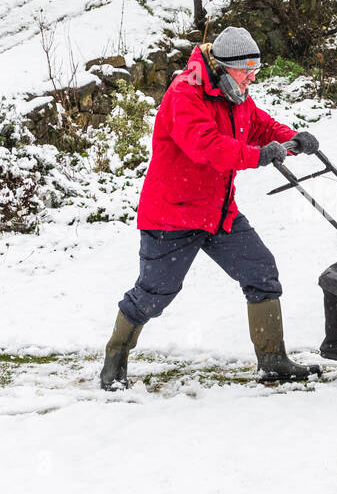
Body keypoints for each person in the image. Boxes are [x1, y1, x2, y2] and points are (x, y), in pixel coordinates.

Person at [100, 26, 321, 390]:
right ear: (223, 66)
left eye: (256, 68)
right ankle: (115, 360)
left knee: (261, 271)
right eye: (247, 68)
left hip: (218, 214)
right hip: (172, 215)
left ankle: (273, 361)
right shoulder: (184, 95)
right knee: (155, 294)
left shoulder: (235, 95)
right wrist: (257, 157)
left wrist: (291, 138)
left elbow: (260, 125)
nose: (252, 76)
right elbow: (207, 147)